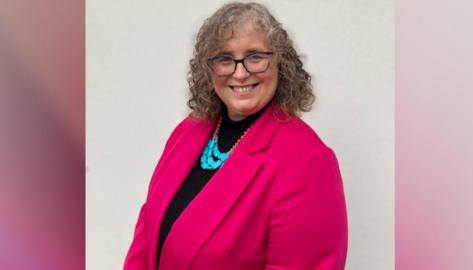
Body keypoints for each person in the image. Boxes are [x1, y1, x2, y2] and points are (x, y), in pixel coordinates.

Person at [124, 2, 348, 270]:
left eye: (255, 57)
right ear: (209, 68)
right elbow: (148, 231)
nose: (240, 73)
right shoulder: (187, 132)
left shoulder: (307, 162)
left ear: (280, 62)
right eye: (225, 59)